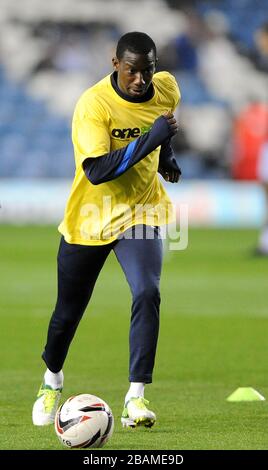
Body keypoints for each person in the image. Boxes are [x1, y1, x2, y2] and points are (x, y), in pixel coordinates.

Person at [32, 31, 181, 429]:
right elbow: (97, 171)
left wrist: (167, 156)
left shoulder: (166, 87)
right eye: (132, 70)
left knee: (148, 291)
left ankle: (136, 396)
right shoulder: (93, 105)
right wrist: (154, 140)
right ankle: (51, 381)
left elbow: (162, 126)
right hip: (91, 217)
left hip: (141, 212)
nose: (140, 80)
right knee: (68, 312)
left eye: (146, 70)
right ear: (115, 64)